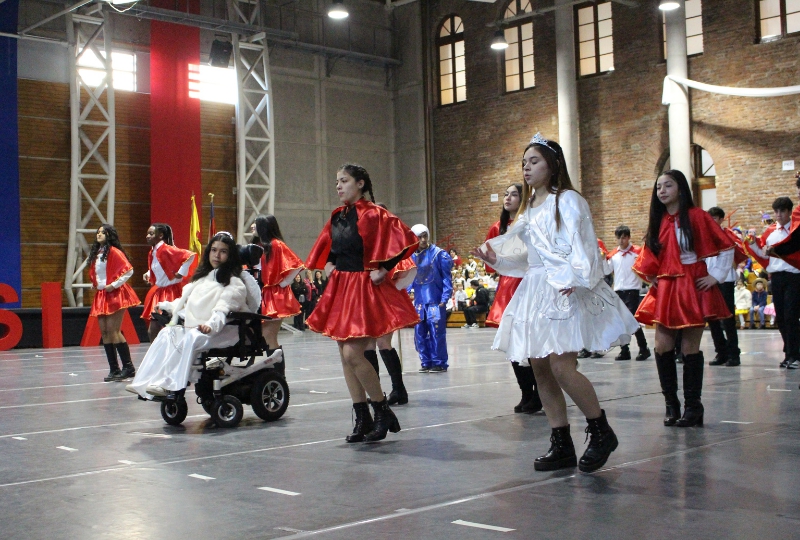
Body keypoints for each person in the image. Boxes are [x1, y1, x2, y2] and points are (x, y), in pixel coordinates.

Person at [471, 133, 638, 473]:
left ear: (552, 165)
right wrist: (496, 259)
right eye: (524, 163)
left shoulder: (568, 200)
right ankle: (561, 441)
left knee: (562, 366)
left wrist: (577, 277)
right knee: (540, 368)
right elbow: (525, 257)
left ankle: (600, 429)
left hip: (564, 289)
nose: (526, 168)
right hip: (535, 290)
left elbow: (585, 244)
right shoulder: (528, 208)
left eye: (534, 161)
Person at [305, 163, 419, 443]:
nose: (338, 186)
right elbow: (331, 249)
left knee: (353, 354)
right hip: (342, 287)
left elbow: (406, 240)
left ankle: (382, 410)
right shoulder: (338, 216)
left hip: (364, 287)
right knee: (344, 353)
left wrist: (385, 268)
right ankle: (362, 416)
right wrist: (329, 264)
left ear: (360, 184)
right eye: (337, 181)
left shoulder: (375, 214)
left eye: (344, 181)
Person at [633, 170, 735, 428]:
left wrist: (716, 276)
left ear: (680, 189)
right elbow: (648, 254)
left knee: (690, 347)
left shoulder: (697, 216)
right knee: (662, 346)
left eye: (668, 185)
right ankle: (671, 404)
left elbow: (726, 245)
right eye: (659, 187)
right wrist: (652, 275)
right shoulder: (657, 220)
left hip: (692, 284)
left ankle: (693, 407)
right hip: (666, 287)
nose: (662, 191)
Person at [126, 232, 250, 399]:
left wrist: (211, 325)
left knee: (191, 336)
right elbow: (185, 301)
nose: (217, 255)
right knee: (167, 333)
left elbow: (223, 309)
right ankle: (144, 382)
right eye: (214, 250)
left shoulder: (234, 283)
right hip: (197, 328)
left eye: (223, 251)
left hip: (223, 331)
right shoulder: (202, 279)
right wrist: (168, 306)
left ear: (230, 256)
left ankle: (170, 385)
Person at [484, 183, 542, 414]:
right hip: (507, 287)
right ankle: (526, 392)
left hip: (528, 283)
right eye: (506, 194)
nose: (508, 198)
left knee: (532, 343)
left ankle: (540, 392)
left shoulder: (529, 223)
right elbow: (491, 265)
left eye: (514, 194)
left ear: (524, 198)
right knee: (513, 343)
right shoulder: (496, 228)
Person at [745, 196, 800, 369]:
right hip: (776, 277)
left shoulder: (796, 230)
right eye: (776, 211)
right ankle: (789, 353)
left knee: (791, 316)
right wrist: (752, 243)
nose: (778, 215)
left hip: (794, 276)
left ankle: (795, 355)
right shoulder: (770, 232)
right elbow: (762, 253)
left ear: (790, 212)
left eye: (782, 211)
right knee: (781, 317)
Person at [88, 224, 141, 382]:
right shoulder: (97, 253)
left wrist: (114, 285)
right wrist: (96, 283)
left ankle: (128, 367)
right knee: (104, 332)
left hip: (115, 293)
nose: (99, 235)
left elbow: (129, 270)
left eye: (103, 233)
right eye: (98, 232)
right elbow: (99, 273)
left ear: (109, 235)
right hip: (102, 294)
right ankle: (114, 369)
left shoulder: (114, 251)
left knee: (113, 331)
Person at [252, 214, 304, 363]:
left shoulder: (276, 245)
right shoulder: (259, 246)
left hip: (273, 296)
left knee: (268, 336)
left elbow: (296, 265)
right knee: (262, 336)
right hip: (261, 294)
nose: (252, 227)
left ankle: (277, 368)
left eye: (256, 223)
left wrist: (283, 283)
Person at [408, 224, 453, 372]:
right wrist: (404, 294)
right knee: (419, 333)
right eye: (419, 237)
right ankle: (425, 361)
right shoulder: (411, 256)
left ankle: (439, 362)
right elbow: (409, 279)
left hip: (435, 301)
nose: (422, 240)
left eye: (425, 236)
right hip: (419, 302)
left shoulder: (439, 254)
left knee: (436, 332)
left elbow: (447, 278)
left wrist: (444, 298)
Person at [706, 207, 746, 367]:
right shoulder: (704, 236)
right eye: (710, 218)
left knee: (727, 318)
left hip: (725, 279)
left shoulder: (727, 235)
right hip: (708, 279)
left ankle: (734, 353)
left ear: (721, 219)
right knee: (712, 318)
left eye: (715, 218)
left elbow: (735, 253)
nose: (712, 221)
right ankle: (721, 352)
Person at [604, 225, 651, 361]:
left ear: (629, 237)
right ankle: (625, 350)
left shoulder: (637, 252)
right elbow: (607, 271)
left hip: (633, 290)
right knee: (620, 322)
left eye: (624, 237)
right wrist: (602, 260)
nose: (621, 240)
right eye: (619, 238)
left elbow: (644, 266)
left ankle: (643, 348)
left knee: (632, 320)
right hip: (619, 290)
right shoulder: (614, 255)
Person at [141, 223, 195, 341]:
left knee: (169, 329)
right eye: (147, 233)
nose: (147, 236)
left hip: (171, 292)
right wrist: (149, 273)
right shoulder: (153, 252)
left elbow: (190, 255)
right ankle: (158, 351)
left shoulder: (166, 249)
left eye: (151, 234)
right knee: (154, 329)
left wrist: (181, 272)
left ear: (160, 235)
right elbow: (159, 267)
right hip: (159, 292)